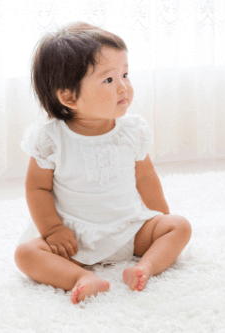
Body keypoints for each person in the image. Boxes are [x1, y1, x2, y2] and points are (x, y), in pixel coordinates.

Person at [14, 23, 192, 304]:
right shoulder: (50, 139)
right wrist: (53, 230)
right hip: (74, 238)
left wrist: (160, 219)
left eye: (125, 74)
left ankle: (144, 266)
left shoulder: (132, 131)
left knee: (179, 226)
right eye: (109, 80)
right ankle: (80, 276)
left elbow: (145, 177)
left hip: (129, 229)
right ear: (69, 96)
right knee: (25, 254)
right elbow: (37, 189)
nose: (123, 86)